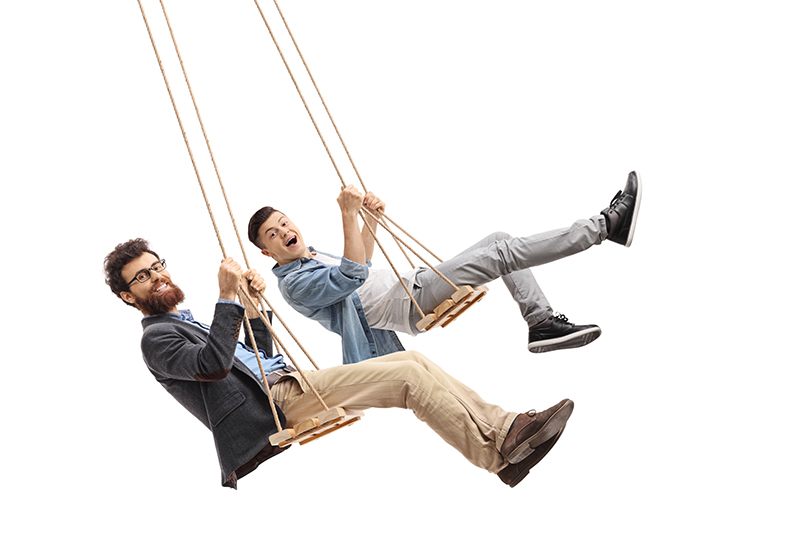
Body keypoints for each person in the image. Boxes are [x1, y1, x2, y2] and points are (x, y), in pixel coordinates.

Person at [104, 238, 575, 489]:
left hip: (286, 382)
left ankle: (505, 438)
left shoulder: (188, 320)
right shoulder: (158, 339)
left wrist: (249, 306)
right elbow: (212, 367)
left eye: (157, 265)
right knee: (409, 373)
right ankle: (498, 449)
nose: (156, 277)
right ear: (129, 296)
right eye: (142, 277)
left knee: (414, 365)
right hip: (272, 406)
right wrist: (226, 297)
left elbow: (260, 354)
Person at [248, 171, 641, 364]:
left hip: (415, 283)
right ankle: (603, 227)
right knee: (499, 255)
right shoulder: (295, 285)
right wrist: (348, 215)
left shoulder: (314, 256)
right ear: (267, 253)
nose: (284, 231)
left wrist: (370, 221)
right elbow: (351, 275)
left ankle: (541, 323)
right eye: (272, 234)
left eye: (284, 222)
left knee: (497, 238)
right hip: (410, 303)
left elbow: (362, 265)